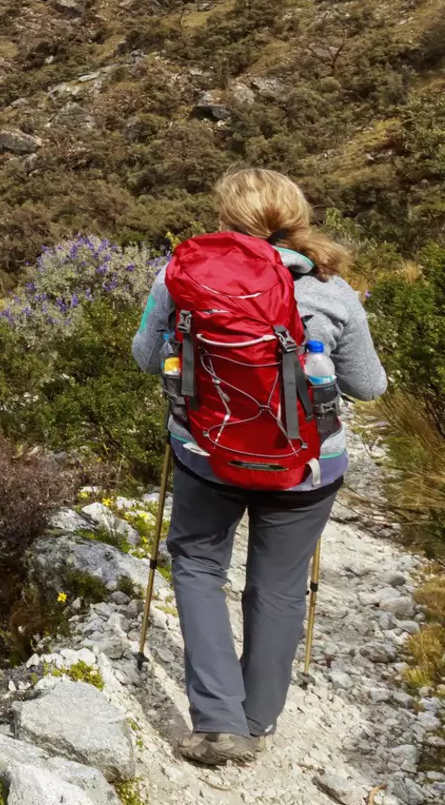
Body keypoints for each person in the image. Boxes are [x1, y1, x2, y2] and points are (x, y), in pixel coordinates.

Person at [133, 168, 387, 767]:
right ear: (296, 220)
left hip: (206, 456)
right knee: (277, 586)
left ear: (225, 221)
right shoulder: (332, 288)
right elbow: (369, 386)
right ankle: (257, 719)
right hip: (307, 469)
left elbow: (147, 357)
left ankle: (218, 722)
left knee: (197, 565)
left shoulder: (181, 277)